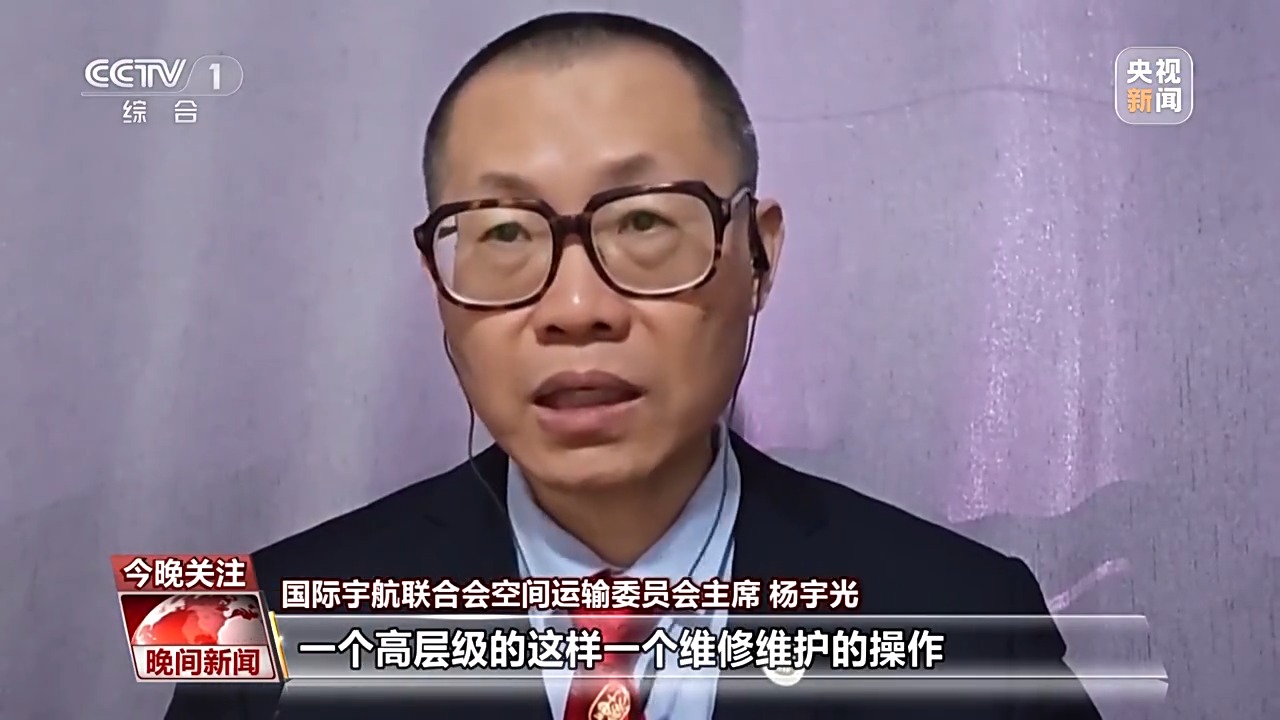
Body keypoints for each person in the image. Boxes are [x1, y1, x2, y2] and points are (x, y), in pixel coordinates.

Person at [164, 11, 1102, 720]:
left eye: (645, 221)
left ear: (758, 256)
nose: (577, 309)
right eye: (503, 233)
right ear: (438, 281)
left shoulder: (971, 620)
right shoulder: (242, 625)